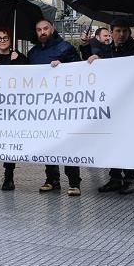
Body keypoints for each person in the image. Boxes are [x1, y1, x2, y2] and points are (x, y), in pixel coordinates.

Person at [27, 19, 83, 194]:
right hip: (42, 106)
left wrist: (63, 67)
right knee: (48, 142)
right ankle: (52, 179)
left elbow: (79, 69)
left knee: (68, 143)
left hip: (63, 104)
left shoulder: (65, 48)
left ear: (52, 29)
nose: (42, 32)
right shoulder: (33, 53)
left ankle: (74, 181)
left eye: (45, 28)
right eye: (39, 30)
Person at [94, 20, 134, 194]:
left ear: (129, 33)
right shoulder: (106, 51)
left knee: (128, 142)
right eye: (118, 31)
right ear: (111, 32)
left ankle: (130, 179)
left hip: (129, 106)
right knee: (111, 141)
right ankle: (114, 177)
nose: (121, 34)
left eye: (124, 31)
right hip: (110, 105)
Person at [0, 28, 27, 190]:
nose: (2, 40)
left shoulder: (19, 57)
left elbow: (28, 76)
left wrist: (18, 60)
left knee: (9, 141)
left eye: (5, 38)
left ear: (11, 40)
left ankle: (9, 177)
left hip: (11, 108)